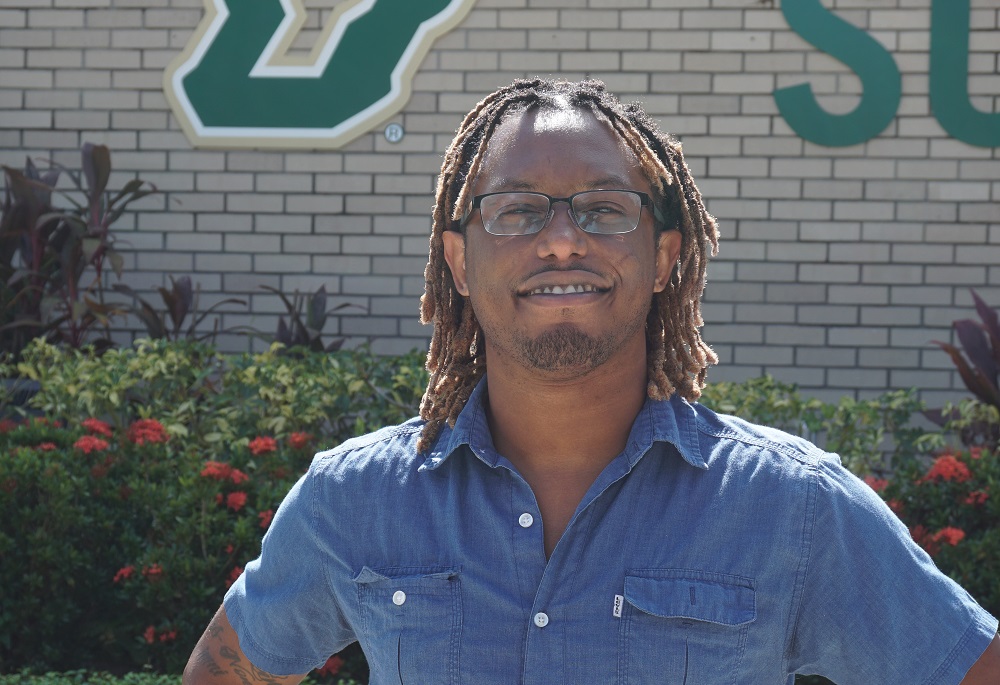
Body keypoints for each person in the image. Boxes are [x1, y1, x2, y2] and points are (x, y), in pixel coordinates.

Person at [183, 78, 1000, 684]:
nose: (564, 241)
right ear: (460, 262)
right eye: (517, 210)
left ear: (665, 258)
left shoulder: (790, 506)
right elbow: (227, 670)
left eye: (606, 209)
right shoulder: (356, 498)